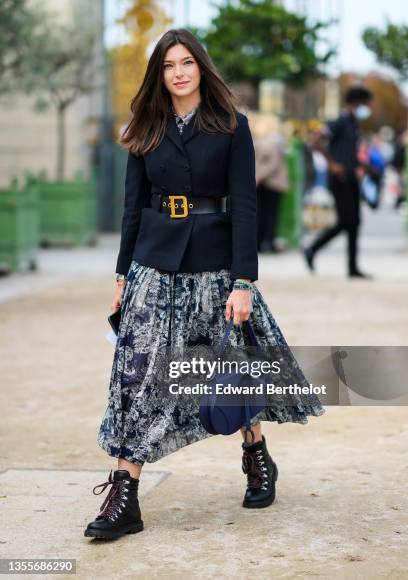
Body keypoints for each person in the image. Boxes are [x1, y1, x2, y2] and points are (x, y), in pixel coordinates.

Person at [84, 28, 325, 540]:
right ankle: (125, 494)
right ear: (160, 73)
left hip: (216, 267)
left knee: (223, 366)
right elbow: (132, 207)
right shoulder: (144, 127)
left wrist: (243, 281)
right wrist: (123, 275)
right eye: (169, 64)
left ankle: (255, 451)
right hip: (153, 264)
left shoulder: (231, 126)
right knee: (138, 377)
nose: (178, 72)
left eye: (186, 62)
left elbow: (245, 205)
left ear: (200, 67)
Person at [303, 86, 375, 278]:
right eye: (365, 103)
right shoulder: (340, 121)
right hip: (339, 179)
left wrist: (367, 168)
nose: (367, 107)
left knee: (354, 222)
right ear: (356, 101)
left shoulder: (353, 124)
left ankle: (352, 267)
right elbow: (315, 141)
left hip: (351, 177)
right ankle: (312, 249)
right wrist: (332, 164)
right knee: (347, 221)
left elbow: (349, 154)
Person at [254, 130, 289, 253]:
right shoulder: (273, 142)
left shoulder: (268, 143)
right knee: (269, 215)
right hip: (269, 184)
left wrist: (258, 175)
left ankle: (265, 242)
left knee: (266, 215)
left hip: (270, 184)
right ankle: (266, 242)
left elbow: (271, 163)